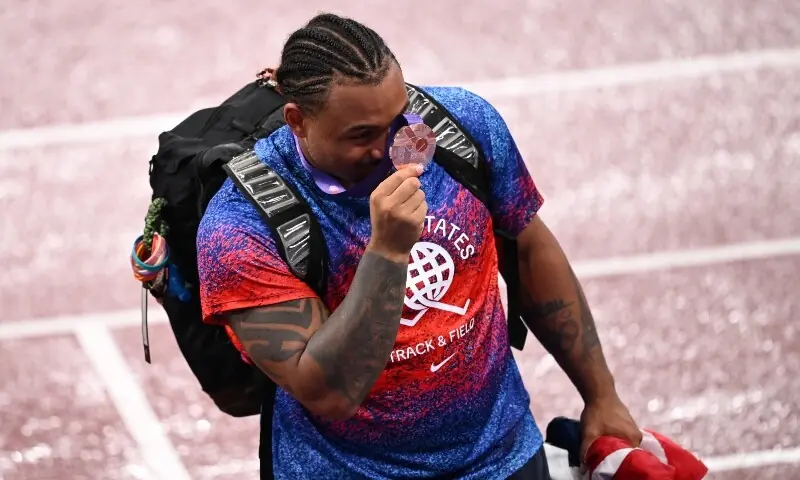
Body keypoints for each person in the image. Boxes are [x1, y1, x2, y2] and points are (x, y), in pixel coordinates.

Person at [196, 12, 642, 480]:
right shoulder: (241, 228)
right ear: (298, 121)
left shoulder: (462, 126)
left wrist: (601, 394)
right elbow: (332, 393)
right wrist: (387, 252)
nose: (390, 147)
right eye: (362, 135)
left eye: (397, 120)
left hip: (504, 458)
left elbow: (529, 249)